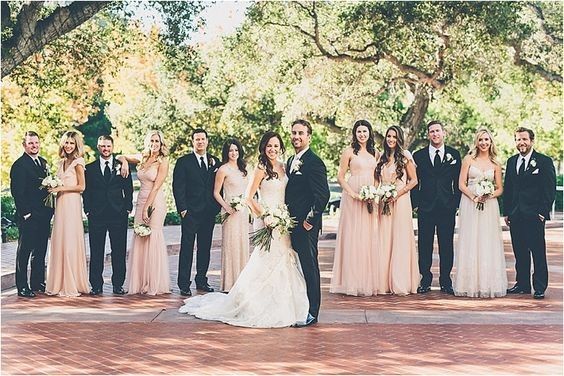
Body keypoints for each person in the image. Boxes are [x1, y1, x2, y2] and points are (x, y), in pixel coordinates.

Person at [179, 131, 309, 328]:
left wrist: (283, 216)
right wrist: (266, 216)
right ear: (264, 149)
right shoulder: (260, 168)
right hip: (267, 220)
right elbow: (249, 197)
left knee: (285, 259)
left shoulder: (284, 167)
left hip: (283, 222)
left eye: (275, 146)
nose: (272, 149)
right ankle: (256, 304)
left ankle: (288, 305)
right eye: (269, 146)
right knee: (265, 261)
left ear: (280, 147)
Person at [286, 119, 330, 326]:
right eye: (294, 133)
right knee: (295, 266)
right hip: (289, 224)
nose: (296, 136)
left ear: (309, 137)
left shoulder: (314, 162)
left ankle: (313, 310)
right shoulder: (289, 161)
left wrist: (309, 220)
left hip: (306, 226)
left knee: (309, 266)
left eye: (300, 133)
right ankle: (297, 304)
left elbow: (322, 195)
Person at [453, 129, 508, 298]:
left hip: (489, 207)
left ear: (491, 142)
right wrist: (474, 197)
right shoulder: (468, 159)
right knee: (470, 240)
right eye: (481, 140)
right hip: (470, 204)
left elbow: (500, 188)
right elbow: (461, 184)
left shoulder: (496, 163)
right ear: (476, 142)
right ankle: (467, 283)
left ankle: (487, 283)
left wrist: (487, 195)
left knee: (487, 241)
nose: (484, 143)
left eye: (487, 140)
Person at [503, 127, 556, 299]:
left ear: (532, 141)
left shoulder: (543, 161)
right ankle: (522, 284)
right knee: (520, 251)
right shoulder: (512, 162)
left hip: (534, 215)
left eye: (524, 139)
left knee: (537, 251)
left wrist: (542, 211)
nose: (521, 143)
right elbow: (509, 188)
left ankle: (539, 286)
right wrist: (507, 212)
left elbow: (549, 189)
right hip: (516, 214)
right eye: (518, 139)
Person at [330, 120, 380, 296]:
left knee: (367, 236)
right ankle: (350, 282)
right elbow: (341, 176)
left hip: (369, 197)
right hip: (353, 197)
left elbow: (377, 176)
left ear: (369, 133)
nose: (362, 135)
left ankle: (366, 280)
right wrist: (352, 194)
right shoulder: (349, 152)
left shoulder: (376, 153)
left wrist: (373, 192)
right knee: (353, 236)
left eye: (364, 131)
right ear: (354, 133)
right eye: (359, 132)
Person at [412, 120, 461, 295]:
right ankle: (425, 280)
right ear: (428, 135)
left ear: (444, 133)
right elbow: (414, 182)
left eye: (438, 131)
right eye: (431, 131)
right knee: (424, 245)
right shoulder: (418, 156)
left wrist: (455, 204)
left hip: (447, 208)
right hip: (425, 207)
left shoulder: (454, 155)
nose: (435, 134)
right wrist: (415, 204)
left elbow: (458, 182)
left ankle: (445, 281)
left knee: (446, 245)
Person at [119, 130, 171, 295]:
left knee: (152, 238)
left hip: (154, 202)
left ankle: (153, 283)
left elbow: (156, 186)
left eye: (157, 141)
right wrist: (125, 162)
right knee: (140, 239)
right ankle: (140, 281)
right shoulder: (142, 158)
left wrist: (147, 207)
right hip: (140, 201)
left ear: (161, 143)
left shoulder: (163, 161)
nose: (154, 144)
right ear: (147, 142)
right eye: (151, 141)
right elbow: (121, 156)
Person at [173, 129, 221, 296]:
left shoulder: (215, 162)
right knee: (187, 247)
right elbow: (178, 187)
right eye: (197, 139)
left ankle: (201, 280)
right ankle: (184, 283)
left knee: (205, 247)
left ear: (207, 141)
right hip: (190, 213)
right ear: (192, 142)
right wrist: (183, 210)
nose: (200, 142)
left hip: (208, 212)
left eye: (202, 139)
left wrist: (217, 207)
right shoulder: (183, 162)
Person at [83, 135, 133, 295]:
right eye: (103, 146)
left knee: (119, 250)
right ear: (98, 147)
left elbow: (129, 188)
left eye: (108, 146)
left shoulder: (122, 166)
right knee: (96, 250)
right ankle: (96, 285)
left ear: (112, 147)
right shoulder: (89, 168)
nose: (105, 149)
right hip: (96, 215)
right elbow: (86, 191)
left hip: (118, 214)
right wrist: (88, 210)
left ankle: (118, 284)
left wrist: (127, 208)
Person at [45, 131, 90, 297]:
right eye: (66, 142)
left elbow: (82, 186)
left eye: (72, 143)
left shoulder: (78, 162)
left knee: (70, 241)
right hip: (60, 205)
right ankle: (58, 282)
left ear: (76, 145)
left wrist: (60, 188)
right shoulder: (61, 162)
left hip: (71, 204)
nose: (69, 146)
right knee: (60, 240)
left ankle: (72, 282)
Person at [374, 126, 419, 295]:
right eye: (388, 136)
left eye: (394, 136)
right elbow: (377, 180)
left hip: (400, 200)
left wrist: (397, 194)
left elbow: (414, 180)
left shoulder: (405, 155)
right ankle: (383, 281)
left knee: (399, 238)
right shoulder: (382, 157)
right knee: (385, 238)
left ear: (399, 138)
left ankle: (400, 280)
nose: (391, 139)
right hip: (384, 200)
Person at [10, 131, 54, 297]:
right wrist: (26, 213)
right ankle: (22, 286)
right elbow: (17, 192)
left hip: (43, 215)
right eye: (30, 143)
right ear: (24, 145)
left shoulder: (43, 162)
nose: (34, 146)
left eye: (36, 143)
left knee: (40, 250)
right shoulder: (19, 165)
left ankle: (37, 282)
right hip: (29, 216)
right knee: (24, 252)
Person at [213, 138, 250, 292]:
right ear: (226, 153)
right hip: (230, 213)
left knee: (242, 244)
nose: (234, 153)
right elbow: (216, 192)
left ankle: (243, 281)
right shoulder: (223, 170)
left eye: (236, 150)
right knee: (231, 245)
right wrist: (227, 207)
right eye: (230, 150)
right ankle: (229, 284)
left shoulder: (244, 169)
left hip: (243, 213)